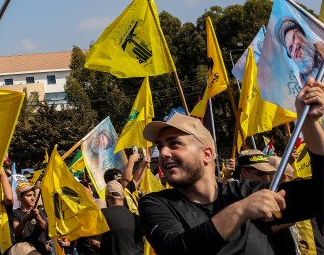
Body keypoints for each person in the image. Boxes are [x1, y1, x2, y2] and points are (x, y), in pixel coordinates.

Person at [138, 79, 324, 254]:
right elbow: (176, 249)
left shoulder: (248, 192)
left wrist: (310, 123)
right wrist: (241, 210)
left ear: (207, 154)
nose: (163, 153)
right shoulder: (156, 204)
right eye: (160, 146)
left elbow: (318, 196)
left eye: (174, 144)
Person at [98, 180, 142, 255]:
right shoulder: (136, 217)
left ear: (107, 196)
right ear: (124, 196)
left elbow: (95, 242)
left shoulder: (102, 214)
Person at [279, 18, 324, 85]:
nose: (295, 47)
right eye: (291, 48)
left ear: (302, 34)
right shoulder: (301, 81)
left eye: (294, 38)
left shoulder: (321, 47)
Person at [12, 182, 49, 253]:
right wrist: (25, 219)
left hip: (40, 251)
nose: (32, 198)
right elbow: (17, 233)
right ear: (20, 198)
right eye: (29, 195)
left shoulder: (40, 212)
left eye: (33, 195)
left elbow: (44, 227)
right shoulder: (15, 213)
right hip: (24, 252)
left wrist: (37, 216)